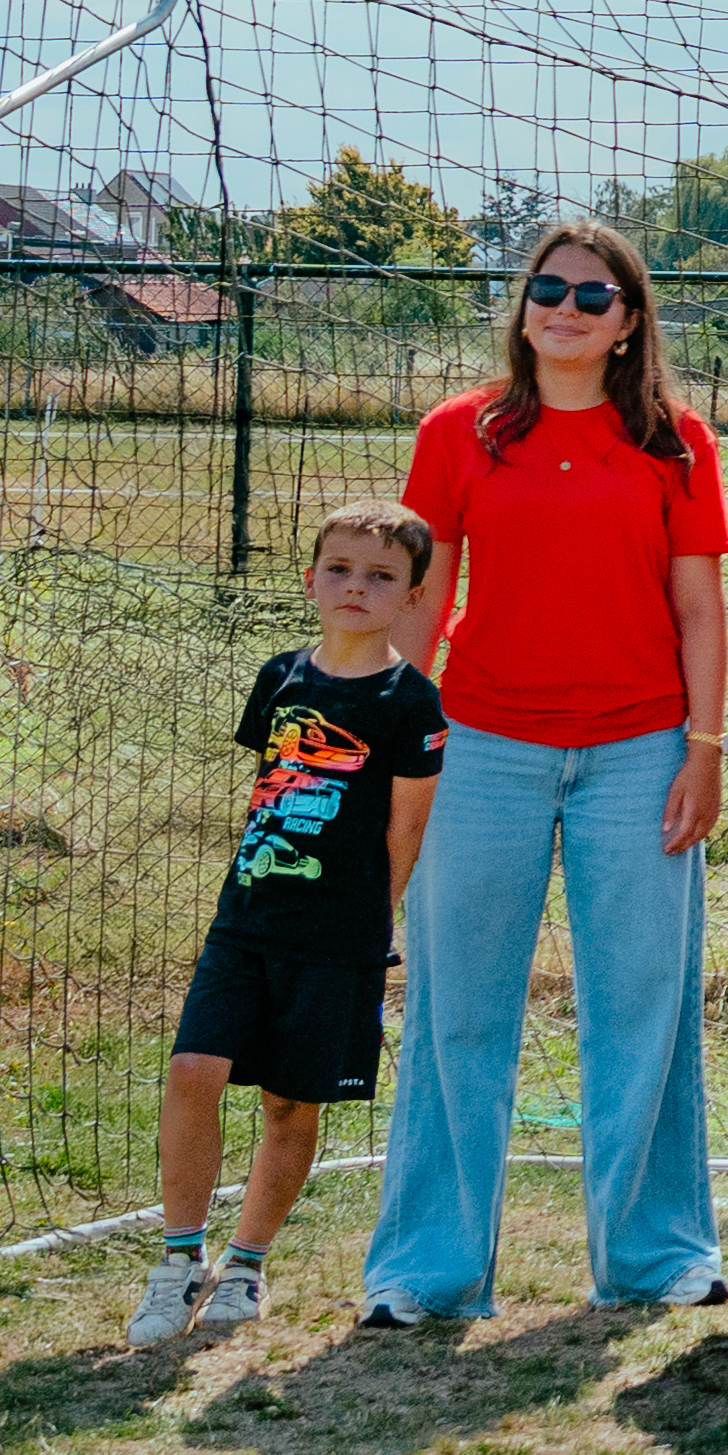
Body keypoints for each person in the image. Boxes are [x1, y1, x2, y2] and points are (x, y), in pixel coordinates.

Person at [355, 222, 728, 1328]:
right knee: (455, 1011)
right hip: (479, 746)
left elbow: (699, 607)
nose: (564, 306)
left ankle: (654, 1255)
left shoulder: (678, 443)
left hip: (641, 751)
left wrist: (703, 752)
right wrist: (389, 736)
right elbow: (421, 596)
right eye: (548, 287)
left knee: (643, 1009)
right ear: (524, 305)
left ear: (628, 324)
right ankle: (428, 1270)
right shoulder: (458, 434)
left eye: (592, 293)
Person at [134, 499, 438, 1349]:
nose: (356, 587)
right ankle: (177, 1260)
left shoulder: (411, 702)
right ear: (310, 579)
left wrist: (373, 932)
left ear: (413, 596)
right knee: (193, 1069)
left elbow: (402, 832)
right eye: (340, 569)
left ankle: (246, 1266)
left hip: (337, 939)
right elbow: (268, 791)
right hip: (246, 922)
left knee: (288, 1107)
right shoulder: (279, 677)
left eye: (381, 576)